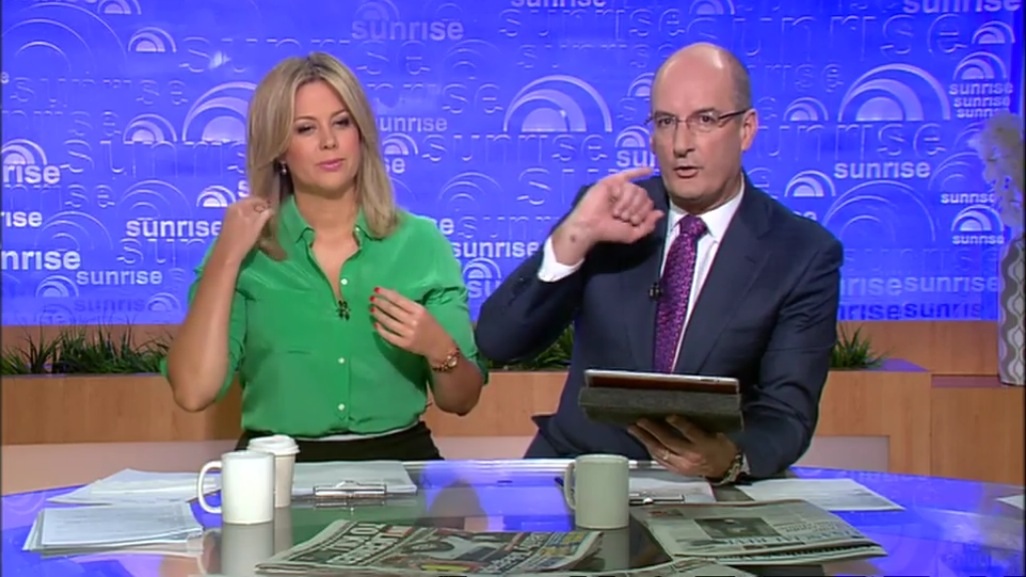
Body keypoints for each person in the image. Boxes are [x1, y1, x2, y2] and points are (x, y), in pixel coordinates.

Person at [474, 42, 843, 483]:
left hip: (706, 489)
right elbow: (498, 342)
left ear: (746, 130)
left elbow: (786, 413)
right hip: (580, 470)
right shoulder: (610, 214)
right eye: (666, 122)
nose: (681, 144)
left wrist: (728, 458)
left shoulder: (801, 253)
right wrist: (574, 237)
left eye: (705, 120)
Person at [162, 52, 487, 462]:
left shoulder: (420, 243)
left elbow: (462, 401)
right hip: (276, 466)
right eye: (305, 128)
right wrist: (226, 258)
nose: (329, 142)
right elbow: (193, 392)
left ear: (361, 133)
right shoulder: (245, 252)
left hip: (400, 462)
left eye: (341, 122)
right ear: (279, 149)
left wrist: (440, 350)